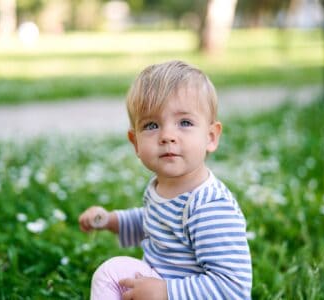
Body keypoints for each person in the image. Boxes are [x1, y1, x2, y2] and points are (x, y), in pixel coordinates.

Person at [79, 60, 252, 299]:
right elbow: (152, 222)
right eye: (151, 125)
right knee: (113, 274)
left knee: (111, 272)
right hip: (159, 285)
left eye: (185, 123)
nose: (167, 136)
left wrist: (167, 291)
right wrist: (111, 220)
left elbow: (232, 287)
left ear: (211, 137)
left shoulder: (210, 206)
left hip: (181, 292)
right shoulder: (161, 187)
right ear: (136, 142)